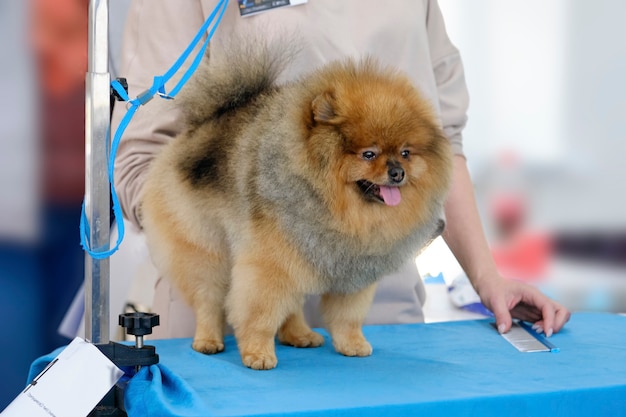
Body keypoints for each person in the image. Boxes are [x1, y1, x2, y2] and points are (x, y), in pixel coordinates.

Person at [111, 0, 570, 340]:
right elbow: (140, 155)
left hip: (380, 316)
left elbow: (440, 145)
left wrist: (488, 279)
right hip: (234, 320)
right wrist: (226, 245)